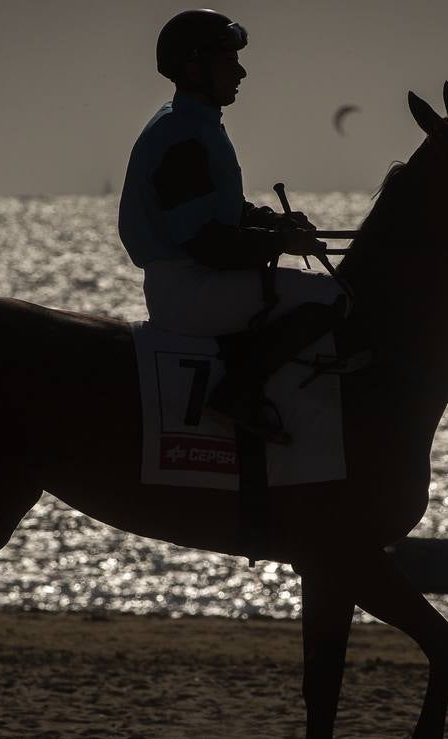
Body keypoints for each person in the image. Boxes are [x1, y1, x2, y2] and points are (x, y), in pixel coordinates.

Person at [118, 9, 346, 441]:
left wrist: (274, 223)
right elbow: (207, 244)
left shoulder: (192, 125)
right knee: (331, 296)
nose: (241, 71)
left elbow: (223, 211)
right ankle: (236, 394)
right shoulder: (182, 135)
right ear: (194, 67)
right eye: (229, 61)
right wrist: (280, 240)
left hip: (192, 281)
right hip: (189, 290)